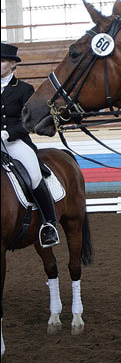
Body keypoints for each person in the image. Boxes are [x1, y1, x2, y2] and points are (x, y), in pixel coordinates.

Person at [1, 42, 60, 247]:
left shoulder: (24, 89)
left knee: (34, 175)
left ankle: (49, 224)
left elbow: (29, 122)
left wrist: (8, 132)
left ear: (12, 64)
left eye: (1, 61)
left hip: (15, 142)